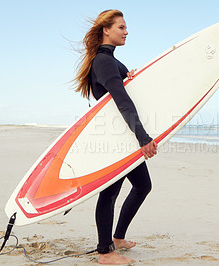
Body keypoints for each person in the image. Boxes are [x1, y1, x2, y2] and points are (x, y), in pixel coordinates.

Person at [74, 9, 157, 265]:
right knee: (109, 193)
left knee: (143, 185)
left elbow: (122, 92)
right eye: (121, 27)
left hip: (122, 135)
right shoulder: (104, 61)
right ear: (106, 30)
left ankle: (117, 238)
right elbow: (121, 100)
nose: (126, 31)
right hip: (115, 138)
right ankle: (105, 252)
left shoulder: (110, 61)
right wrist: (142, 136)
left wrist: (130, 78)